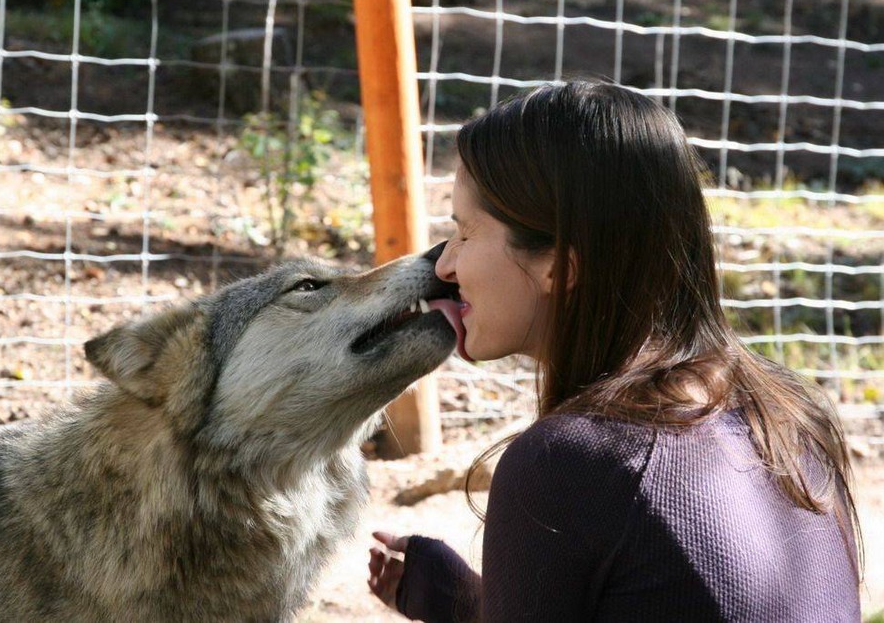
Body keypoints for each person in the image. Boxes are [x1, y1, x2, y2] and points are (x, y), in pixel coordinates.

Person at [366, 80, 862, 622]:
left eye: (464, 233)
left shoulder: (569, 462)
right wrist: (463, 603)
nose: (444, 267)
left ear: (560, 264)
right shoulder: (789, 410)